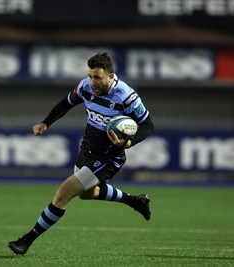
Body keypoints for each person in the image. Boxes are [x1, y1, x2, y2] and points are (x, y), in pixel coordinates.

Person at [8, 52, 155, 255]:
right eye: (90, 75)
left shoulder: (125, 96)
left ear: (110, 76)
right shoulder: (86, 86)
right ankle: (135, 201)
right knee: (87, 194)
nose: (92, 81)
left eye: (97, 77)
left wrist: (129, 141)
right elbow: (66, 103)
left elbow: (147, 125)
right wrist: (45, 122)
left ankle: (26, 240)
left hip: (108, 157)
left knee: (63, 193)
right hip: (87, 150)